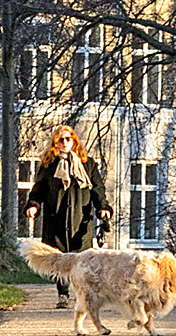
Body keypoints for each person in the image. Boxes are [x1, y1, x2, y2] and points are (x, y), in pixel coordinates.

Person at [21, 124, 111, 307]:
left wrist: (103, 207)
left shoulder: (88, 165)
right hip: (56, 219)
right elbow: (38, 190)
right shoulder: (48, 166)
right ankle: (62, 294)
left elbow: (97, 190)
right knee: (60, 259)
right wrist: (33, 205)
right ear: (55, 143)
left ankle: (81, 295)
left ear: (74, 141)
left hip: (81, 219)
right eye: (60, 140)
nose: (64, 143)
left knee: (80, 259)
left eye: (68, 139)